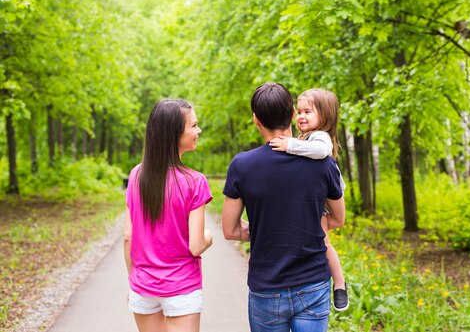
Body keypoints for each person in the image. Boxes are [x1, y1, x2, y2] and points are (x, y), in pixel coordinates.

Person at [222, 83, 345, 332]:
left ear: (256, 120)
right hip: (313, 282)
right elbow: (338, 219)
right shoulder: (323, 163)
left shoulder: (242, 165)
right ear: (292, 113)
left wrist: (269, 230)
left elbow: (231, 231)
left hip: (267, 286)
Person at [124, 99, 213, 332]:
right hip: (181, 287)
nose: (199, 130)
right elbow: (196, 245)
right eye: (193, 126)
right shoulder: (195, 182)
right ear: (175, 133)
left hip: (142, 286)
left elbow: (128, 235)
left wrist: (134, 282)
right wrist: (209, 236)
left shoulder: (136, 175)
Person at [268, 88, 349, 311]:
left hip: (323, 202)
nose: (301, 116)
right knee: (320, 242)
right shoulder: (305, 136)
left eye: (308, 112)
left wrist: (288, 145)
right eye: (299, 111)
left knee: (324, 243)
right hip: (313, 200)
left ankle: (340, 284)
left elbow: (322, 151)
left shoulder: (320, 137)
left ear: (325, 116)